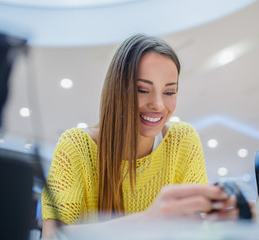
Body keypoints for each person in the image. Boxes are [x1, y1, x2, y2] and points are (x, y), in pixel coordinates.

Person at [41, 34, 248, 238]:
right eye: (142, 89)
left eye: (169, 92)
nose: (158, 105)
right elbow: (52, 236)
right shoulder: (76, 145)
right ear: (117, 90)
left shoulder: (183, 140)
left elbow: (198, 228)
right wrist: (148, 220)